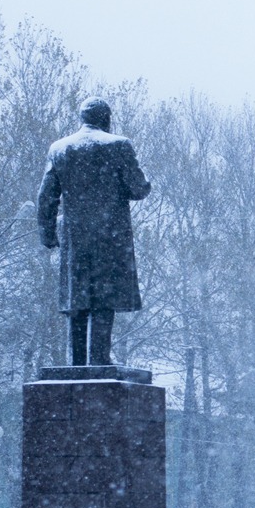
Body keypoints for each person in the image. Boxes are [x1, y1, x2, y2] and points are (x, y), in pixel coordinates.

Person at [38, 97, 151, 366]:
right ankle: (99, 358)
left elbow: (46, 195)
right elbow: (138, 188)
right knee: (104, 297)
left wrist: (48, 231)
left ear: (82, 118)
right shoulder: (118, 146)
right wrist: (143, 184)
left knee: (77, 298)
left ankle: (77, 361)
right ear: (106, 118)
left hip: (75, 236)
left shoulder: (60, 149)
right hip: (109, 234)